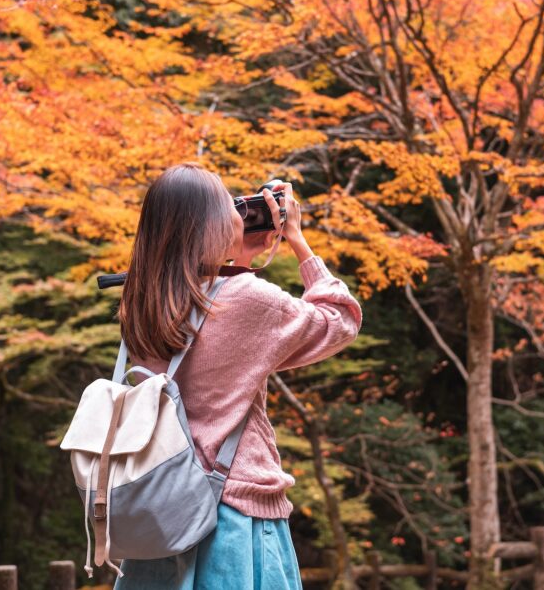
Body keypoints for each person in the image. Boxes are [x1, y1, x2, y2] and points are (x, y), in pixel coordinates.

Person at [113, 163, 363, 590]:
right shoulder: (248, 301)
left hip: (160, 515)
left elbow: (214, 330)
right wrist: (298, 241)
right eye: (229, 203)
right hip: (233, 516)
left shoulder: (141, 299)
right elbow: (340, 320)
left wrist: (240, 258)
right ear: (209, 223)